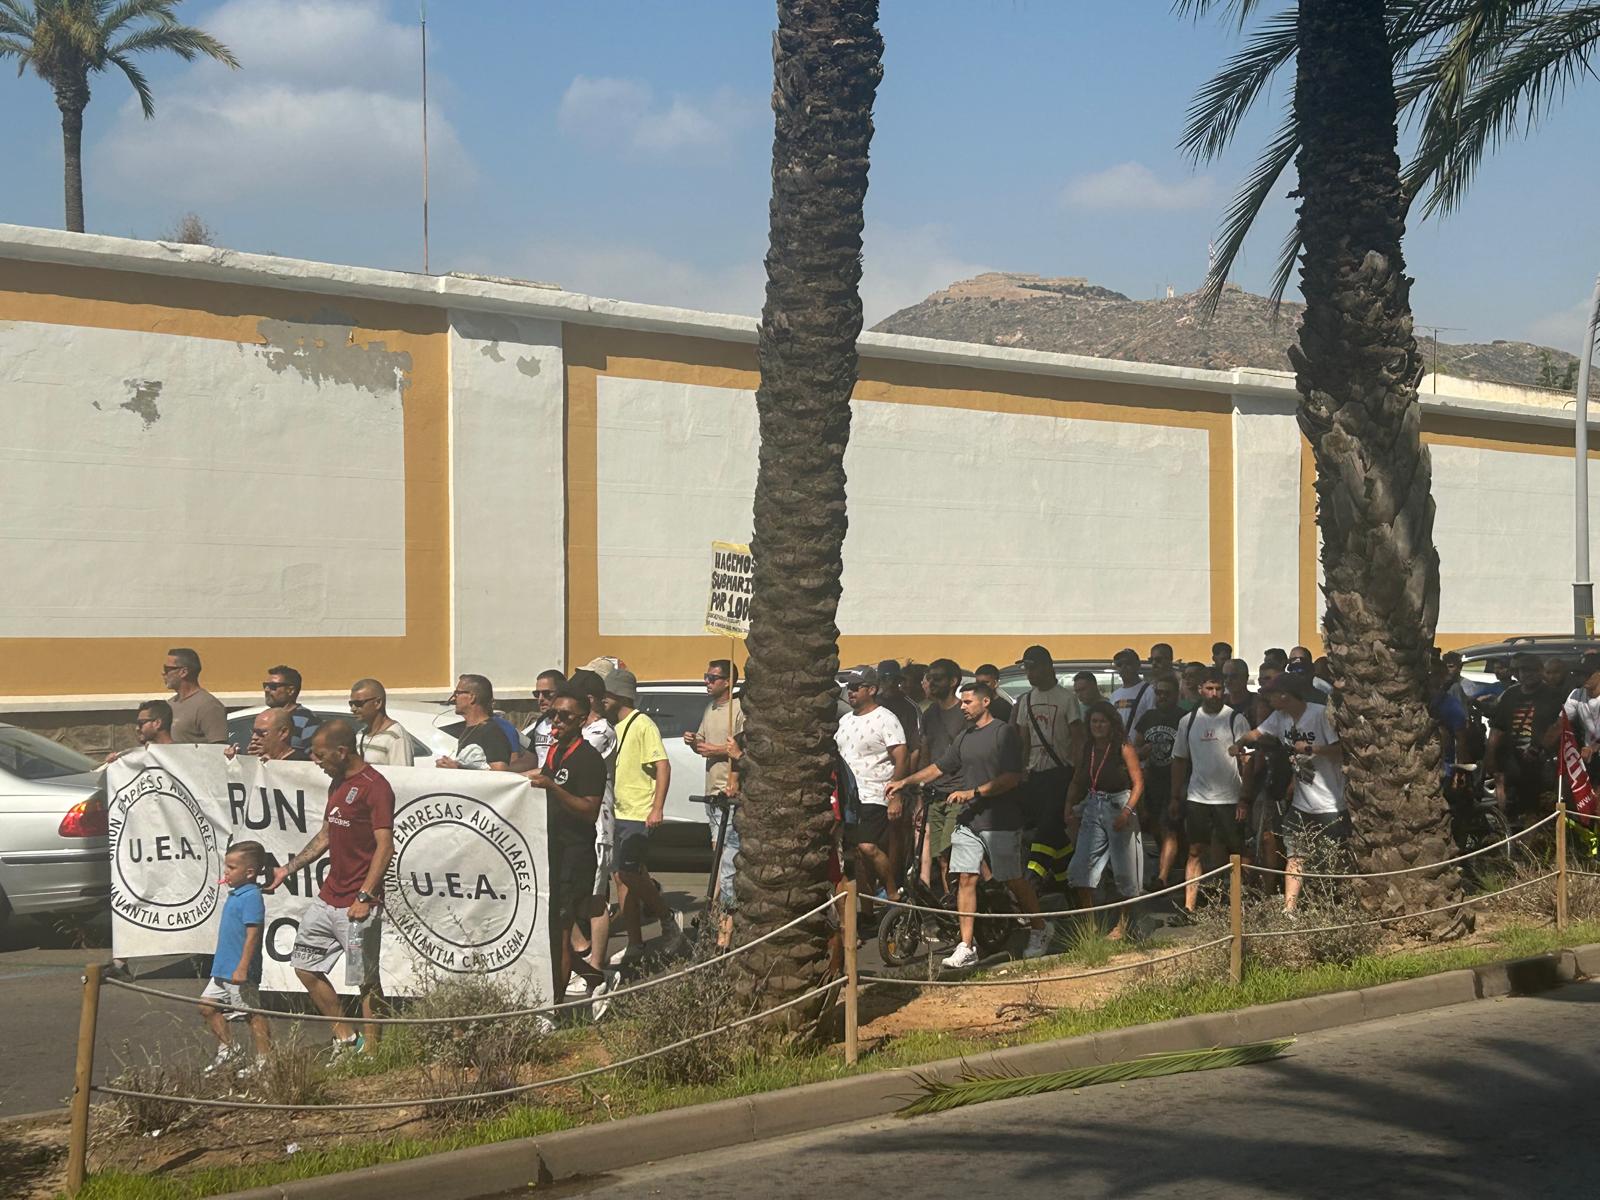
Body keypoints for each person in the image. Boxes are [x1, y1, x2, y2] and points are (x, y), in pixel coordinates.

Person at [888, 681, 1049, 968]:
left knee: (1013, 879)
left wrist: (973, 792)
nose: (962, 706)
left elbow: (1012, 777)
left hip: (1000, 821)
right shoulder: (965, 736)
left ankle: (1040, 928)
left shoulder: (1004, 733)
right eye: (962, 702)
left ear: (986, 702)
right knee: (965, 877)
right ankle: (966, 945)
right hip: (969, 820)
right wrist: (904, 781)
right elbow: (939, 767)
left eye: (968, 702)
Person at [269, 720, 393, 1057]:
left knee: (364, 979)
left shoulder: (375, 787)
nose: (315, 761)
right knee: (304, 966)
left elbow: (385, 846)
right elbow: (326, 834)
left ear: (342, 751)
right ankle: (346, 1038)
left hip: (359, 902)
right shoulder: (336, 783)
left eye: (321, 755)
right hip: (328, 897)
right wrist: (286, 869)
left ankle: (373, 1054)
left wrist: (365, 897)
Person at [1231, 674, 1346, 915]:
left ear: (1285, 695)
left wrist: (1312, 748)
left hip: (1330, 804)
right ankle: (1289, 909)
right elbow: (1257, 734)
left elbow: (1340, 750)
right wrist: (1240, 742)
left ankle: (1331, 906)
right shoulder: (1279, 717)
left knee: (1330, 858)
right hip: (1301, 804)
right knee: (1295, 854)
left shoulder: (1319, 714)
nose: (1268, 699)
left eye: (1272, 694)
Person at [523, 689, 608, 1004]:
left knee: (560, 935)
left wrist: (554, 789)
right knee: (548, 931)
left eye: (564, 716)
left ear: (582, 720)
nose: (556, 720)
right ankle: (592, 977)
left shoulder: (589, 760)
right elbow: (536, 779)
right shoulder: (556, 752)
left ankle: (554, 1010)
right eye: (552, 714)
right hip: (550, 851)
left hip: (574, 855)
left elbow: (588, 810)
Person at [604, 668, 683, 965]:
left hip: (637, 812)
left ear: (619, 695)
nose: (601, 702)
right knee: (622, 880)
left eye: (605, 696)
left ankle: (666, 918)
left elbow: (662, 765)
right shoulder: (615, 727)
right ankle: (636, 943)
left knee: (628, 873)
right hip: (618, 812)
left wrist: (657, 807)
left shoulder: (641, 724)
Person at [1171, 669, 1250, 916]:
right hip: (1198, 797)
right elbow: (1179, 760)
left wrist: (1244, 799)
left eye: (1218, 688)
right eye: (1209, 688)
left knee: (1236, 852)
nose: (1214, 693)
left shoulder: (1235, 719)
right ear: (1200, 690)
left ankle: (1241, 906)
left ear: (1224, 689)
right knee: (1195, 850)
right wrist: (1175, 796)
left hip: (1230, 797)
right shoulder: (1188, 720)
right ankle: (1189, 907)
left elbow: (1247, 760)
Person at [1066, 701, 1145, 940]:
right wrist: (1068, 806)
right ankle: (1089, 924)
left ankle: (1123, 926)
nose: (1097, 726)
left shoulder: (1122, 746)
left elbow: (1138, 783)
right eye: (1093, 722)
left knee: (1125, 871)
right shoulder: (1087, 747)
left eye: (1102, 721)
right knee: (1081, 868)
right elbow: (1077, 779)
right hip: (1092, 805)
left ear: (1111, 724)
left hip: (1118, 805)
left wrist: (1127, 812)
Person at [1011, 645, 1085, 895]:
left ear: (1047, 667)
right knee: (1055, 833)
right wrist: (1021, 771)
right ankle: (1068, 884)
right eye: (1026, 668)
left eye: (1033, 667)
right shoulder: (1026, 700)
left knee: (1046, 828)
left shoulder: (1066, 698)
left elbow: (1078, 740)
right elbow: (1023, 739)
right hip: (1035, 776)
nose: (1029, 673)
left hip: (1061, 773)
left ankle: (1033, 878)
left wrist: (1077, 775)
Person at [835, 665, 908, 900]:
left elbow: (901, 755)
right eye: (848, 687)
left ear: (872, 689)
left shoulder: (886, 718)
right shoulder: (845, 720)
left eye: (856, 687)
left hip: (875, 793)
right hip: (848, 797)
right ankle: (866, 910)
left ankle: (891, 889)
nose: (851, 691)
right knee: (857, 854)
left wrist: (896, 794)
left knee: (868, 846)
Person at [686, 660, 745, 949]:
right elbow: (703, 741)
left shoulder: (739, 709)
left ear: (728, 682)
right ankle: (715, 916)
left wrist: (718, 750)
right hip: (711, 792)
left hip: (729, 795)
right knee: (718, 855)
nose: (707, 682)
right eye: (706, 676)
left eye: (713, 677)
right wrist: (693, 741)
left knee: (728, 863)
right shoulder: (710, 708)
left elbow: (741, 748)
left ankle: (726, 931)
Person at [199, 840, 271, 1076]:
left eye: (231, 867)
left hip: (239, 970)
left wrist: (242, 967)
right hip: (222, 967)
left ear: (249, 872)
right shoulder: (236, 893)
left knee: (251, 1013)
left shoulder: (251, 896)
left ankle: (264, 1061)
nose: (226, 872)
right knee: (207, 1006)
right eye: (226, 867)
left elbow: (253, 934)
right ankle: (229, 1049)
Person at [1489, 653, 1563, 822]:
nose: (1526, 674)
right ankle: (1512, 843)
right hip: (1511, 763)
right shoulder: (1510, 695)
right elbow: (1497, 729)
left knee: (1537, 812)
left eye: (1531, 670)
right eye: (1522, 670)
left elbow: (1558, 726)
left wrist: (1539, 749)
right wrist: (1490, 757)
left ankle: (1535, 844)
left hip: (1541, 765)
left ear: (1540, 671)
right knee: (1509, 811)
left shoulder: (1553, 695)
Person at [916, 659, 967, 891]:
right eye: (930, 678)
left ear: (953, 681)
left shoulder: (965, 712)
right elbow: (926, 753)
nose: (931, 683)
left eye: (938, 678)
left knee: (952, 850)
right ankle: (949, 908)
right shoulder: (929, 714)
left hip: (960, 791)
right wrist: (920, 792)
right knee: (941, 856)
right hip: (935, 793)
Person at [1133, 674, 1184, 891]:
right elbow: (1134, 750)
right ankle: (1166, 868)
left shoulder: (1184, 717)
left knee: (1169, 828)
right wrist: (1141, 752)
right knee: (1155, 827)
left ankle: (1162, 877)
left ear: (1176, 695)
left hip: (1175, 782)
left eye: (1167, 693)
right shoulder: (1148, 717)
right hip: (1151, 780)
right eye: (1158, 693)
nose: (1162, 696)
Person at [436, 675, 512, 770]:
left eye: (457, 693)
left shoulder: (490, 732)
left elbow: (501, 773)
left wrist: (457, 769)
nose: (453, 699)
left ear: (472, 697)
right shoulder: (470, 729)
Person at [163, 648, 227, 744]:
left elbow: (218, 748)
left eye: (167, 669)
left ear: (183, 672)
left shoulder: (209, 706)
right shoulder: (169, 705)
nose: (164, 674)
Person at [349, 678, 414, 766]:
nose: (352, 709)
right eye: (351, 704)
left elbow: (402, 777)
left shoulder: (396, 737)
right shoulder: (360, 735)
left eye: (358, 703)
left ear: (378, 703)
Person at [261, 665, 321, 752]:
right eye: (265, 685)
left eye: (273, 686)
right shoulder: (263, 718)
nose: (266, 690)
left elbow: (313, 759)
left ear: (291, 690)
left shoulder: (308, 721)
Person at [105, 699, 174, 763]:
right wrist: (115, 763)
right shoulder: (137, 756)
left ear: (157, 723)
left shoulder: (180, 754)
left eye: (141, 723)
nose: (137, 728)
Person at [227, 707, 306, 762]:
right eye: (253, 732)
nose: (254, 737)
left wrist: (272, 766)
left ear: (283, 733)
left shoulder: (303, 763)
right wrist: (237, 763)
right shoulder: (254, 760)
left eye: (261, 733)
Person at [524, 669, 567, 763]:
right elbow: (530, 759)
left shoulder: (570, 724)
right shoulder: (542, 721)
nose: (540, 699)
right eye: (537, 694)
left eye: (546, 694)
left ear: (561, 692)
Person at [1110, 648, 1155, 731]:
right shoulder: (1114, 695)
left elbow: (1152, 721)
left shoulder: (1150, 691)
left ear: (1138, 665)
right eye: (1119, 665)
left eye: (1128, 663)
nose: (1123, 667)